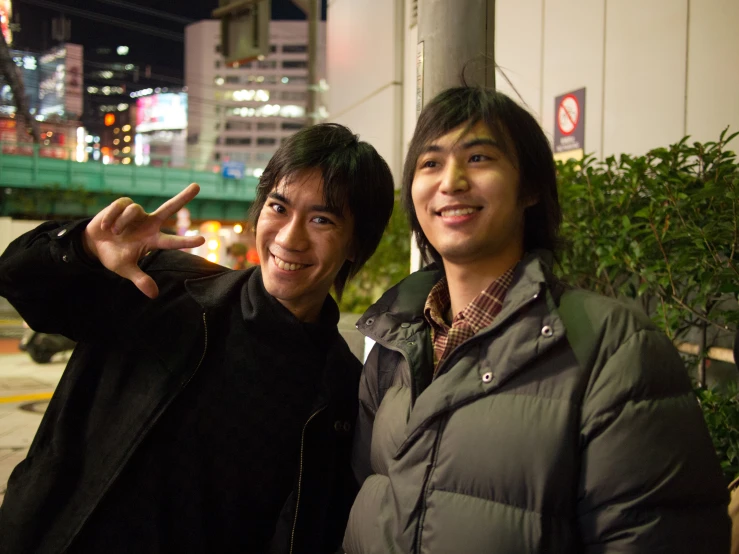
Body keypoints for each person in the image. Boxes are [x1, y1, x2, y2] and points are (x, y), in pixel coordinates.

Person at [342, 87, 730, 553]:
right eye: (430, 163)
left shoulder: (616, 348)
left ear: (529, 188)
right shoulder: (394, 342)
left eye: (479, 157)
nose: (451, 181)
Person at [0, 123, 395, 554]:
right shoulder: (159, 286)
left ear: (356, 244)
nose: (289, 238)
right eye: (278, 208)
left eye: (321, 219)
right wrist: (82, 248)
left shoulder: (343, 395)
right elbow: (19, 284)